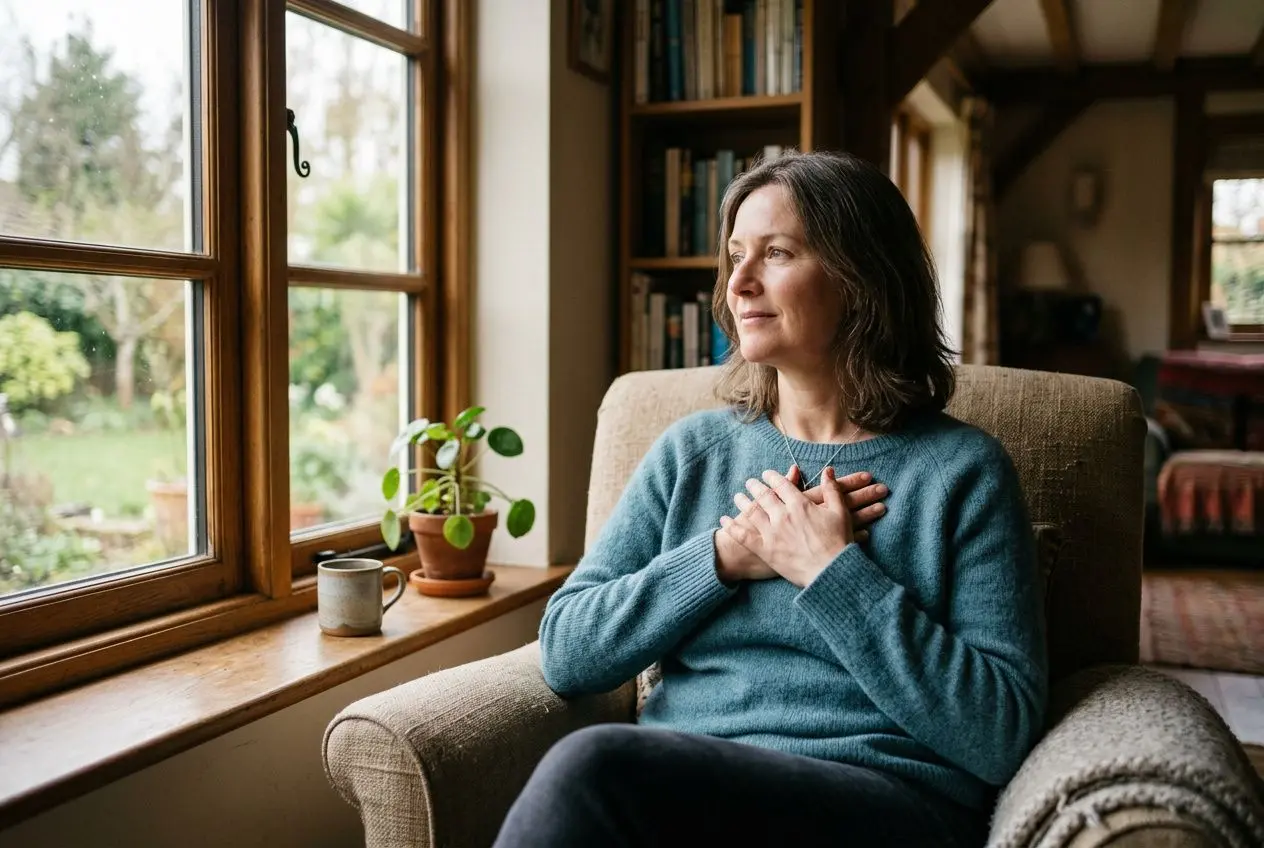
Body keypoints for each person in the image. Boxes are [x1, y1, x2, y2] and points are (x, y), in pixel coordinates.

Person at [493, 150, 1048, 847]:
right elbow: (566, 652)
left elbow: (1000, 732)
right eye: (735, 257)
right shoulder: (692, 453)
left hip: (881, 802)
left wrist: (830, 571)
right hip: (681, 797)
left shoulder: (963, 472)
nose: (739, 283)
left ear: (862, 279)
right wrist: (722, 557)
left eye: (776, 253)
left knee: (591, 767)